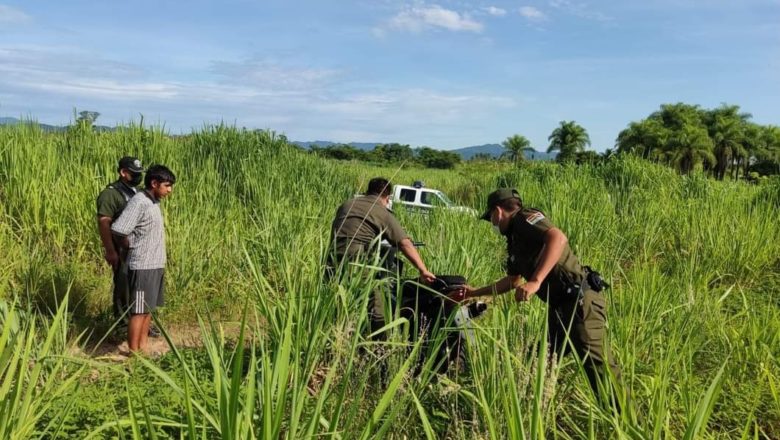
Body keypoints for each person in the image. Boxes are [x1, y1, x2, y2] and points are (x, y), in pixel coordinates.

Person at [452, 188, 622, 403]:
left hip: (580, 301)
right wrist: (475, 292)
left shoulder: (524, 218)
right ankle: (528, 410)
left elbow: (557, 238)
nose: (492, 224)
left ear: (498, 211)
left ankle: (627, 422)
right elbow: (513, 281)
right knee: (539, 360)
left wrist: (536, 280)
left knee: (599, 370)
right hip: (560, 308)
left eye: (491, 218)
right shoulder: (514, 242)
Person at [327, 177, 436, 336]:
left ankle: (335, 331)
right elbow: (404, 243)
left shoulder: (347, 204)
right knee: (377, 300)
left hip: (331, 260)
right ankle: (380, 341)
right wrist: (423, 270)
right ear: (387, 197)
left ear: (368, 191)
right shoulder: (382, 212)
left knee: (336, 300)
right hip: (355, 262)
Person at [111, 165, 176, 353]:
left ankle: (143, 347)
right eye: (167, 185)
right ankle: (134, 353)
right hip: (142, 266)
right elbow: (119, 228)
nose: (169, 190)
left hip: (155, 265)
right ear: (154, 183)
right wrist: (128, 245)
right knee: (138, 311)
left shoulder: (153, 202)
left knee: (148, 309)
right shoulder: (140, 202)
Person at [96, 157, 143, 325]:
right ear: (123, 173)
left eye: (140, 173)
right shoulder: (110, 194)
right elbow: (104, 222)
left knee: (139, 287)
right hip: (121, 249)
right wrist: (110, 251)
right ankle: (123, 325)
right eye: (134, 174)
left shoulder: (138, 192)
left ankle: (139, 323)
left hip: (139, 249)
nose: (138, 177)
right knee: (124, 287)